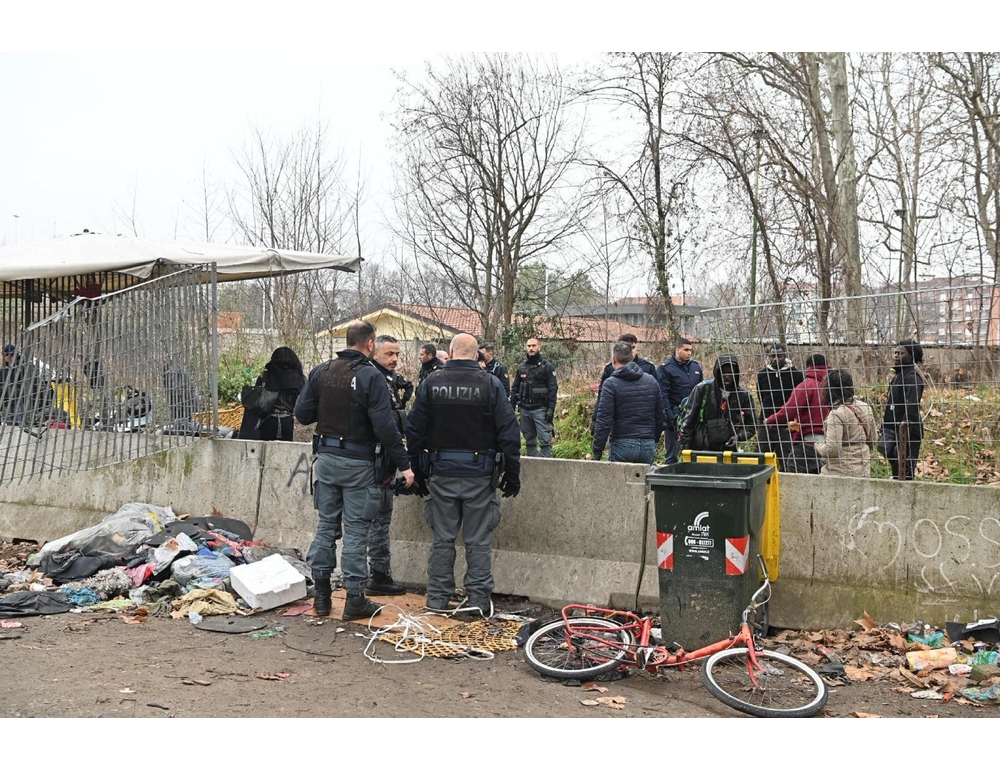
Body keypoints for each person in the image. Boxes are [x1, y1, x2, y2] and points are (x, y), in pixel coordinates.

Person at [294, 320, 414, 621]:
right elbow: (385, 427)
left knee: (325, 526)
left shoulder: (322, 371)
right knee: (357, 533)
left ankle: (322, 597)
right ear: (370, 344)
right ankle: (355, 600)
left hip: (326, 459)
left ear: (347, 341)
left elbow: (302, 414)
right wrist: (404, 464)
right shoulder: (370, 376)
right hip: (360, 464)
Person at [405, 333, 521, 617]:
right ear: (477, 354)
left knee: (442, 539)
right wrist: (512, 472)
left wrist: (416, 470)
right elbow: (509, 432)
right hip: (480, 474)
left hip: (441, 472)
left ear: (452, 351)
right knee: (478, 540)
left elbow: (414, 429)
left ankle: (437, 598)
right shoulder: (490, 384)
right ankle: (478, 600)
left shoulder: (432, 383)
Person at [367, 335, 409, 595]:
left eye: (397, 354)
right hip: (378, 463)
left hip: (381, 461)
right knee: (379, 521)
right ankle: (378, 575)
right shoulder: (375, 380)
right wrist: (404, 462)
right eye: (389, 354)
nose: (394, 359)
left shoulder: (388, 380)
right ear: (375, 352)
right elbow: (386, 427)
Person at [592, 340, 665, 464]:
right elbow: (660, 415)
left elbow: (604, 420)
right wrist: (653, 439)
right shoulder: (651, 380)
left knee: (619, 477)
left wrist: (597, 451)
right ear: (632, 357)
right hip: (647, 443)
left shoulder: (610, 384)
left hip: (622, 443)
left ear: (614, 359)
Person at [762, 353, 831, 473]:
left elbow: (788, 411)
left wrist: (770, 420)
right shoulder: (833, 386)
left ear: (809, 366)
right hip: (830, 442)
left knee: (794, 473)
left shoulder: (806, 386)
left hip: (809, 442)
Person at [679, 353, 757, 452]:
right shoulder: (703, 389)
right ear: (717, 372)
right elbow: (689, 420)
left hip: (728, 450)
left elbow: (751, 425)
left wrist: (738, 436)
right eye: (723, 373)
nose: (727, 376)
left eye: (731, 373)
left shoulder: (743, 395)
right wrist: (685, 446)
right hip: (701, 447)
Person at [814, 369, 876, 477]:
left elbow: (832, 450)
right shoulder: (865, 407)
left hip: (838, 473)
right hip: (863, 470)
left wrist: (818, 445)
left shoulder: (836, 413)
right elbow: (873, 440)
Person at [878, 340, 925, 481]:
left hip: (906, 434)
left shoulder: (912, 378)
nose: (896, 356)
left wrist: (903, 435)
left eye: (901, 353)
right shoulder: (898, 376)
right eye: (895, 353)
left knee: (905, 473)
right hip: (892, 430)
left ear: (912, 356)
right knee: (896, 471)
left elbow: (912, 408)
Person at [238, 346, 305, 441]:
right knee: (285, 448)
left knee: (266, 448)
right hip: (287, 421)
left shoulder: (265, 376)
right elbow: (301, 400)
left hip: (267, 421)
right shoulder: (298, 378)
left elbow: (257, 398)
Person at [657, 337, 704, 464]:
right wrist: (669, 416)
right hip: (676, 413)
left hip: (694, 413)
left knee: (694, 452)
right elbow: (662, 394)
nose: (689, 353)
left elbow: (701, 390)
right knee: (672, 455)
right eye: (686, 350)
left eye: (691, 350)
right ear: (677, 349)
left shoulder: (695, 367)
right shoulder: (666, 368)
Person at [510, 337, 558, 457]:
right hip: (525, 409)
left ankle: (546, 465)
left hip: (541, 409)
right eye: (529, 346)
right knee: (529, 441)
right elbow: (515, 388)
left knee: (545, 440)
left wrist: (551, 408)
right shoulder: (521, 367)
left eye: (533, 346)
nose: (531, 348)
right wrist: (511, 407)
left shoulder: (547, 367)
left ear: (539, 347)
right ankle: (533, 464)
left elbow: (553, 389)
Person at [755, 343, 804, 461]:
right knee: (761, 458)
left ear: (785, 356)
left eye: (779, 356)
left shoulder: (796, 375)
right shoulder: (762, 375)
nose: (775, 359)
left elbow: (798, 399)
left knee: (787, 458)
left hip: (786, 424)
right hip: (766, 421)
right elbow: (761, 396)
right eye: (772, 356)